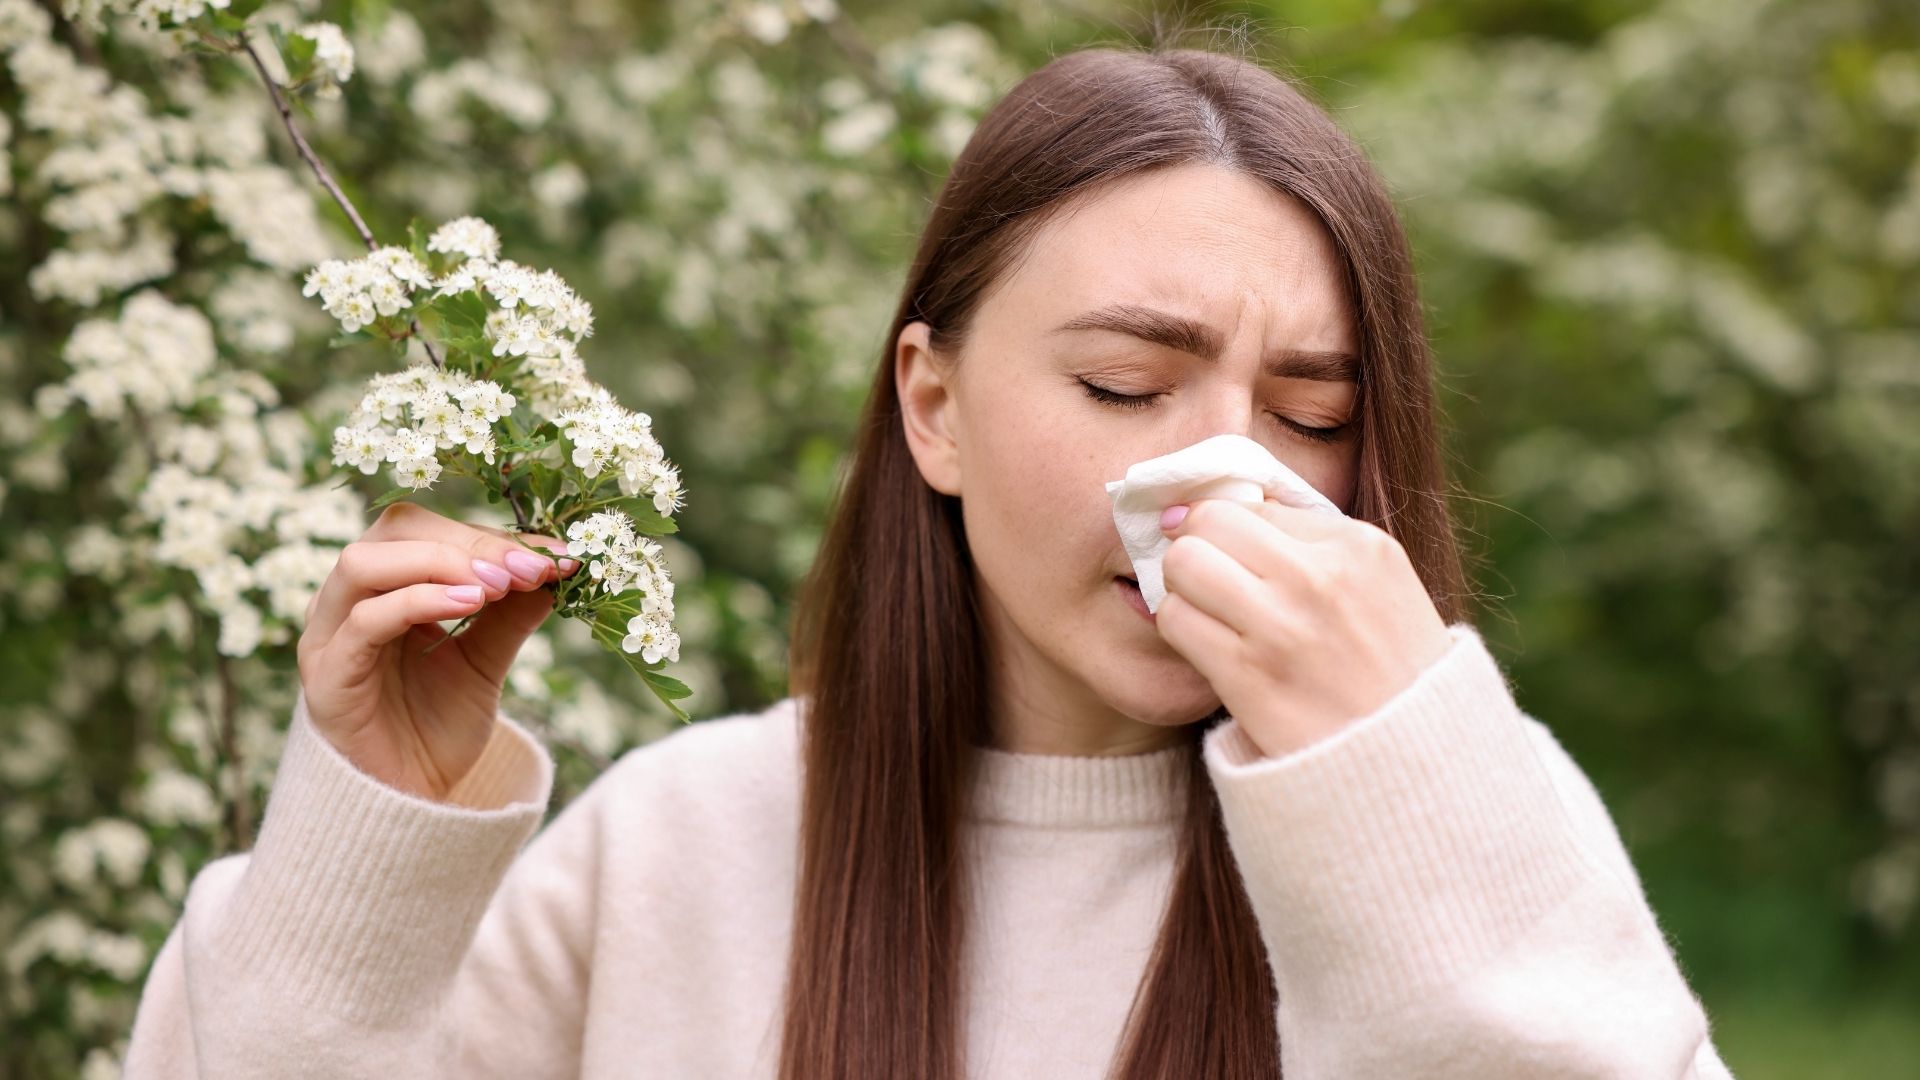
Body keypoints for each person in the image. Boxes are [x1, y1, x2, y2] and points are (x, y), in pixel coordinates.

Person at [123, 40, 1737, 1079]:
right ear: (935, 405)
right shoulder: (681, 856)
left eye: (1311, 413)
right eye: (1123, 386)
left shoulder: (1476, 810)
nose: (1226, 475)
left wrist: (1401, 784)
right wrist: (368, 846)